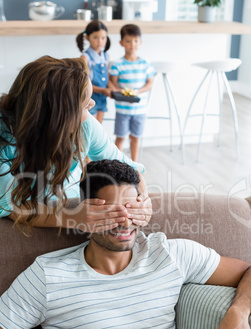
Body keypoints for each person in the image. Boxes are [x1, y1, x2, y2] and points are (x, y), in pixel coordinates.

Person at [0, 159, 251, 329]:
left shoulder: (170, 255)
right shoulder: (48, 276)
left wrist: (238, 314)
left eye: (131, 208)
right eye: (113, 212)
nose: (125, 221)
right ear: (87, 212)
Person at [0, 56, 152, 232]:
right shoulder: (4, 140)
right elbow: (11, 206)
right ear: (58, 118)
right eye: (85, 104)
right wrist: (71, 217)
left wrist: (143, 200)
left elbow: (128, 167)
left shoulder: (85, 126)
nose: (93, 104)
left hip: (64, 197)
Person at [109, 24, 155, 162]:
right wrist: (120, 91)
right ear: (121, 43)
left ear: (140, 42)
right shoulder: (117, 64)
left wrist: (137, 92)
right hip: (123, 109)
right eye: (128, 41)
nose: (132, 44)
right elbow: (112, 83)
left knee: (135, 137)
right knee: (120, 137)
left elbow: (150, 83)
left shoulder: (145, 63)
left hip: (140, 109)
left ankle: (135, 164)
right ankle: (117, 164)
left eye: (135, 41)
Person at [76, 21, 112, 124]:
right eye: (95, 37)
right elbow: (83, 83)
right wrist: (103, 90)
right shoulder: (85, 57)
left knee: (99, 127)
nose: (100, 41)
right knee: (91, 127)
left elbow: (107, 77)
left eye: (103, 38)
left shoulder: (106, 56)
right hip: (90, 98)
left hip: (102, 97)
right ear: (87, 37)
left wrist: (114, 90)